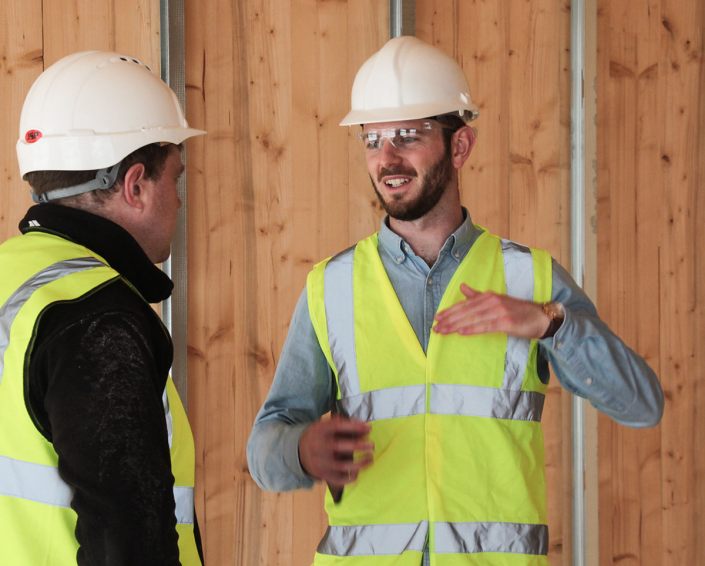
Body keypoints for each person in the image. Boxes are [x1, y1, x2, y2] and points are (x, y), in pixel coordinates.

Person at [247, 36, 664, 566]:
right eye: (373, 140)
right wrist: (301, 451)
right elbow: (264, 449)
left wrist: (551, 322)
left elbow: (641, 405)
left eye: (408, 136)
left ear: (460, 146)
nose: (387, 158)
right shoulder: (331, 287)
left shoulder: (528, 278)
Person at [0, 51, 206, 565]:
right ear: (135, 186)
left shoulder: (12, 278)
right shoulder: (98, 318)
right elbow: (127, 541)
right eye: (175, 179)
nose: (180, 201)